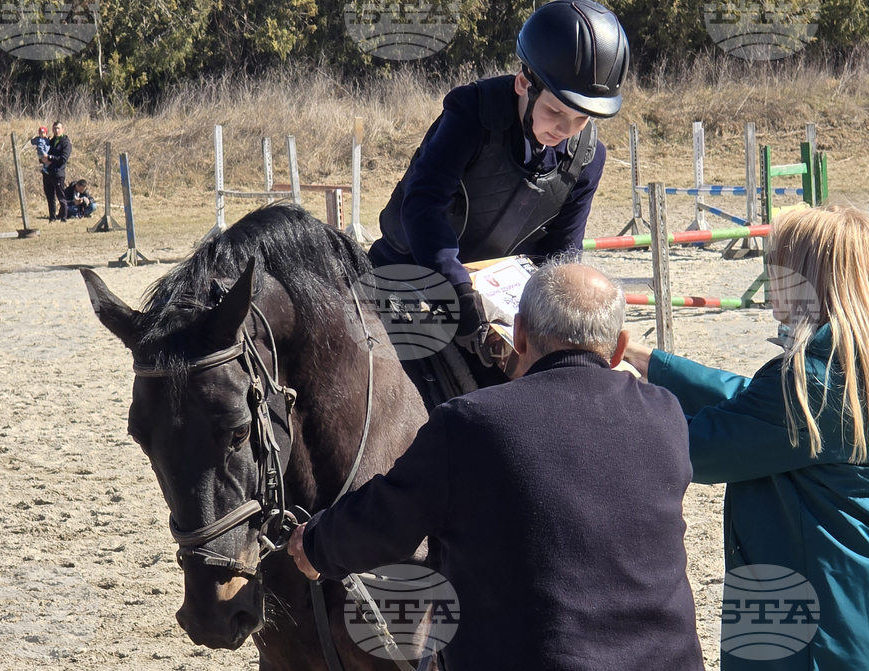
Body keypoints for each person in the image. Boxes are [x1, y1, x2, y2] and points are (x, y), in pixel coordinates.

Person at [288, 259, 704, 671]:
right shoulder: (665, 414)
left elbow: (386, 519)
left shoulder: (471, 422)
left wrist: (315, 546)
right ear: (618, 347)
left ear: (518, 333)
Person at [623, 206, 869, 670]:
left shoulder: (806, 380)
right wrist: (644, 357)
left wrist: (603, 392)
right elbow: (757, 407)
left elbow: (701, 448)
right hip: (865, 604)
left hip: (813, 626)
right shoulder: (866, 357)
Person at [370, 0, 629, 366]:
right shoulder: (469, 115)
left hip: (501, 300)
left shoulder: (588, 158)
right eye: (555, 111)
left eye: (580, 119)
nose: (565, 129)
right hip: (410, 276)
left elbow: (563, 253)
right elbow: (423, 207)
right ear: (524, 83)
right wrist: (459, 293)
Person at [42, 121, 72, 222]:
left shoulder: (65, 142)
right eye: (55, 128)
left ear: (62, 130)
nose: (56, 130)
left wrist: (50, 157)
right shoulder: (50, 141)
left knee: (61, 197)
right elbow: (43, 153)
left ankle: (63, 217)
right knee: (50, 197)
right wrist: (42, 159)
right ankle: (52, 217)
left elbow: (63, 159)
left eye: (58, 128)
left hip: (58, 173)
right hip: (47, 173)